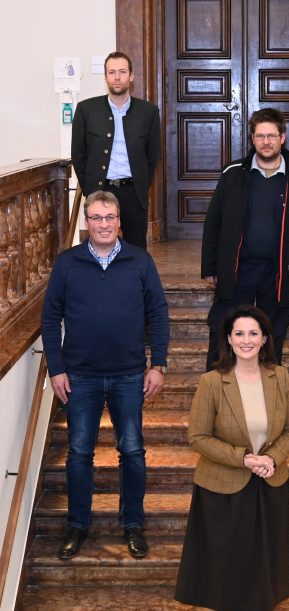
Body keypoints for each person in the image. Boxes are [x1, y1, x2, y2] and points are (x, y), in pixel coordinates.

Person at [41, 191, 169, 560]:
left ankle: (133, 524)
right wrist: (56, 369)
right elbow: (50, 318)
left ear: (119, 221)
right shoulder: (67, 263)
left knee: (132, 452)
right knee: (79, 453)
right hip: (80, 377)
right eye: (96, 217)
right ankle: (77, 526)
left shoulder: (140, 261)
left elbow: (158, 313)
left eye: (110, 217)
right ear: (86, 222)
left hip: (129, 375)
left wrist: (158, 364)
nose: (104, 224)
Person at [175, 304, 289, 611]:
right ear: (228, 339)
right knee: (220, 565)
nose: (247, 340)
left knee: (259, 565)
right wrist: (243, 459)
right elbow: (197, 437)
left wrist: (272, 458)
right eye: (239, 333)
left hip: (269, 484)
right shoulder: (212, 382)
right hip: (221, 489)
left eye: (253, 333)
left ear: (264, 339)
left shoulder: (280, 376)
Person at [202, 107, 289, 370]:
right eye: (260, 136)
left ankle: (268, 388)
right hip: (238, 268)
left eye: (271, 136)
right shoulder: (233, 173)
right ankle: (215, 387)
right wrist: (210, 267)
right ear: (253, 139)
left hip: (278, 272)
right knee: (222, 327)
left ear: (282, 138)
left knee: (273, 333)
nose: (266, 142)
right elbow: (213, 222)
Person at [71, 51, 161, 249]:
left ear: (131, 76)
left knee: (136, 249)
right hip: (100, 190)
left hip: (133, 193)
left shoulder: (148, 112)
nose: (117, 77)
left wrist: (141, 186)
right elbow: (78, 155)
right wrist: (90, 190)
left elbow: (152, 156)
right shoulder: (86, 110)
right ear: (105, 77)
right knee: (99, 246)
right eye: (112, 72)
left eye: (122, 72)